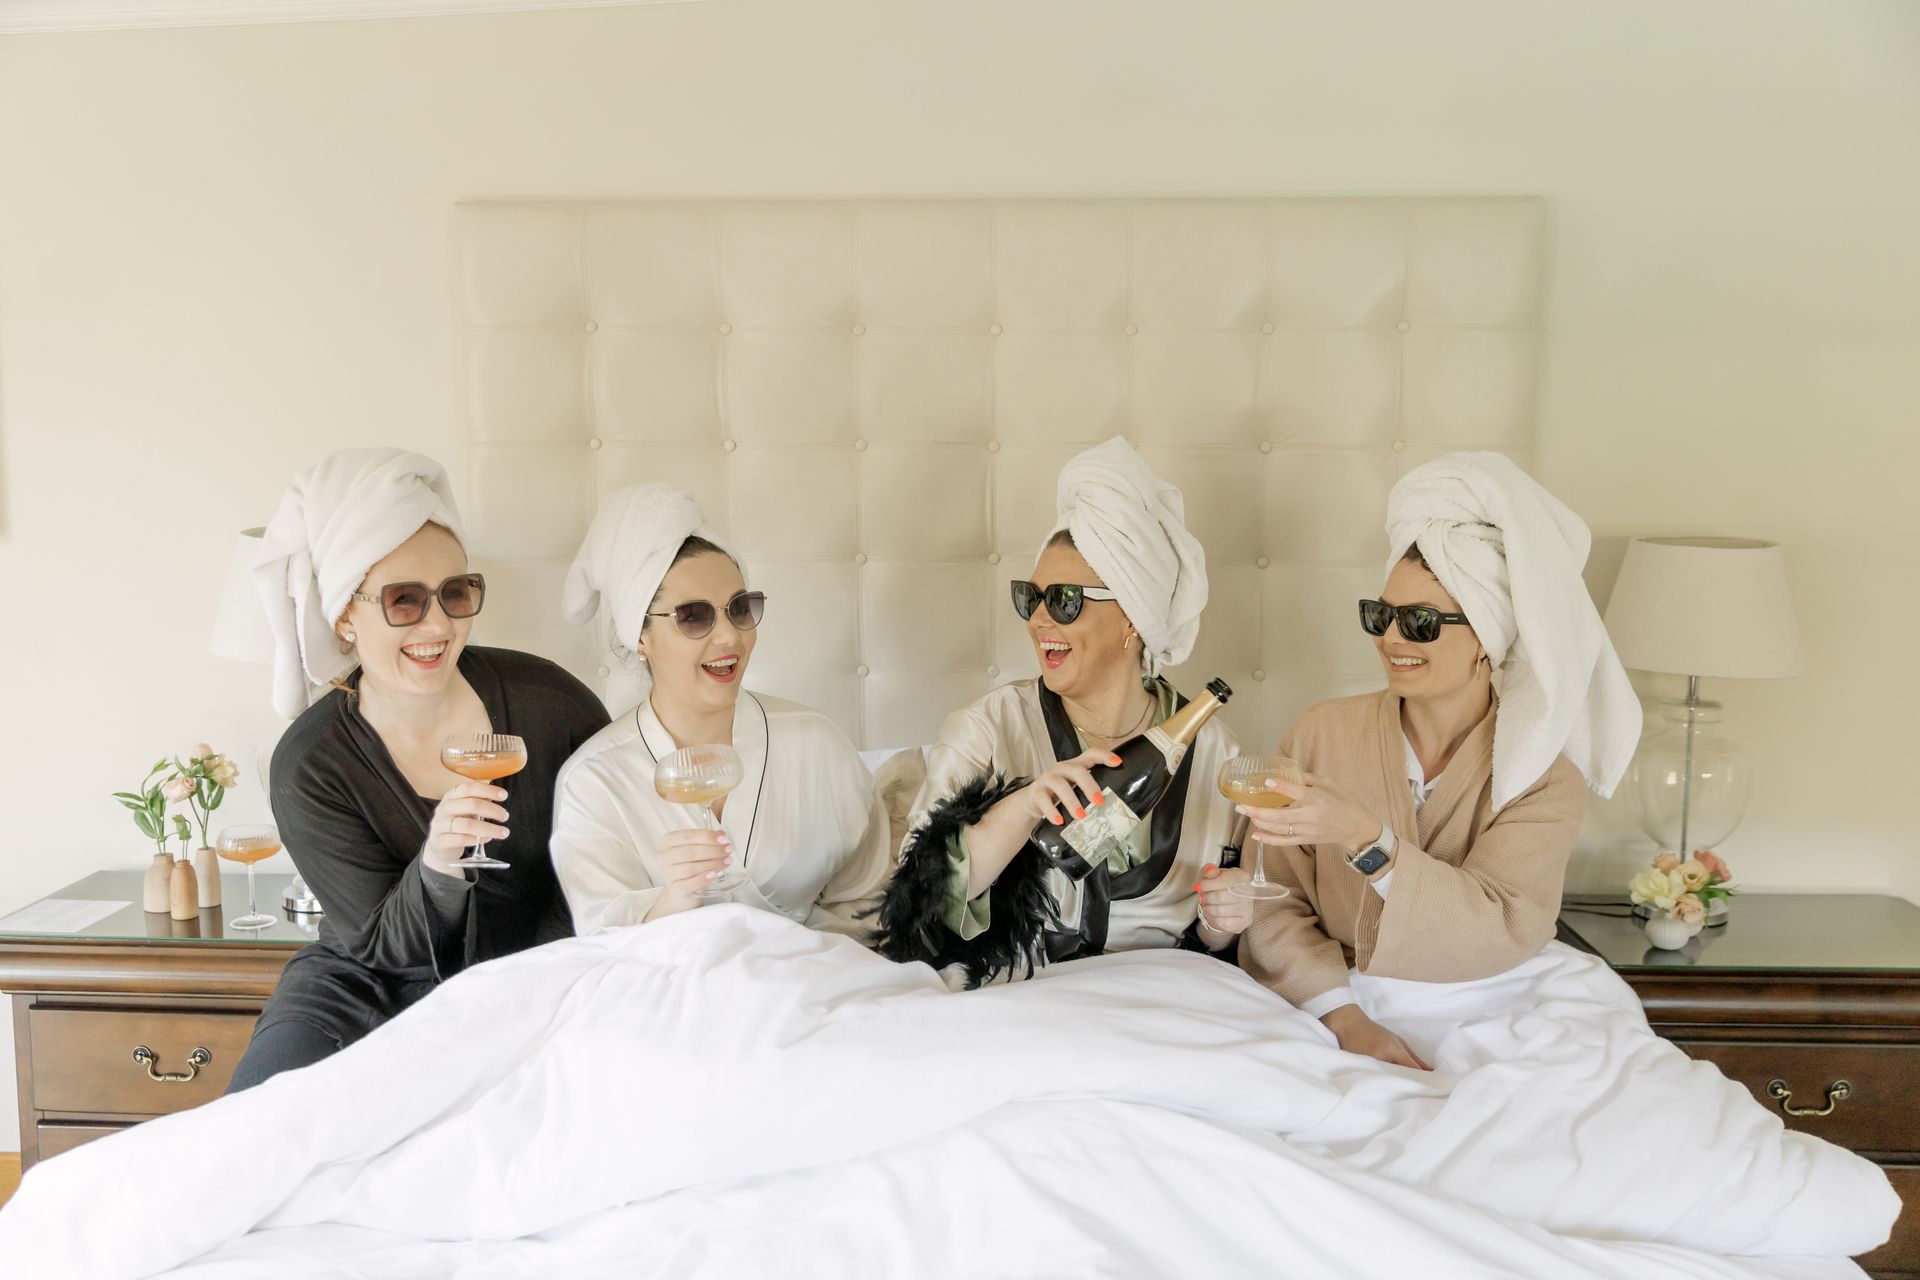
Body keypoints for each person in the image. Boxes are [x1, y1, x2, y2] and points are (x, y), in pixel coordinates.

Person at [1236, 452, 1641, 1069]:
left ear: (1486, 632)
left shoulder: (1543, 778)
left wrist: (1361, 834)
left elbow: (1498, 928)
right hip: (1330, 998)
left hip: (1500, 1000)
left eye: (1420, 622)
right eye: (1381, 615)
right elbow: (1269, 900)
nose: (1390, 638)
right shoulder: (1322, 733)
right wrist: (1347, 1023)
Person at [229, 448, 609, 1092]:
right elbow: (381, 948)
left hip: (540, 975)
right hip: (364, 991)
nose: (439, 624)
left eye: (456, 593)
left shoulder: (551, 706)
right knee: (256, 1135)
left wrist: (528, 984)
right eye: (405, 600)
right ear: (345, 614)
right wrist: (436, 868)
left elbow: (606, 858)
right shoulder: (312, 763)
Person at [875, 437, 1249, 987]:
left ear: (1132, 619)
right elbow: (918, 911)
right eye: (1032, 598)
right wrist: (1022, 807)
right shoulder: (989, 729)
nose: (1038, 621)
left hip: (1163, 1003)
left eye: (1066, 602)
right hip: (1015, 999)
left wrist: (1223, 923)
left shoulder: (1219, 757)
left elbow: (1215, 943)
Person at [550, 484, 892, 938]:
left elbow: (870, 899)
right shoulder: (595, 781)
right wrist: (673, 902)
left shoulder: (817, 743)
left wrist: (800, 969)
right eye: (694, 616)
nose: (730, 637)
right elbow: (605, 948)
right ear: (640, 636)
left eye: (739, 609)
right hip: (671, 999)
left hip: (816, 989)